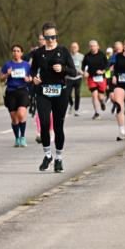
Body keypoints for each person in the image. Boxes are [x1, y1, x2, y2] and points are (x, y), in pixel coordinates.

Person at [29, 23, 76, 173]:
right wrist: (34, 78)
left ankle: (59, 158)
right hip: (43, 92)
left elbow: (73, 72)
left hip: (60, 92)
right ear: (43, 37)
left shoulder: (63, 51)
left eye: (53, 37)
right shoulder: (38, 53)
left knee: (58, 126)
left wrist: (63, 69)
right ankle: (48, 155)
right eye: (47, 37)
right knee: (43, 124)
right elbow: (32, 70)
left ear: (57, 36)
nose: (50, 40)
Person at [0, 44, 32, 147]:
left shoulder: (27, 65)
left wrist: (29, 79)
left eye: (18, 51)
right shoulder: (7, 64)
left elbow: (32, 77)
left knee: (21, 114)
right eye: (14, 51)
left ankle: (22, 137)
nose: (16, 52)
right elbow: (1, 78)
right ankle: (17, 138)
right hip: (11, 91)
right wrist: (7, 74)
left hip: (23, 90)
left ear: (22, 53)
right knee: (14, 119)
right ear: (12, 53)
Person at [81, 40, 108, 119]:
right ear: (89, 47)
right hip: (91, 78)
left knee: (100, 96)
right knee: (94, 95)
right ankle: (97, 113)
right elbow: (83, 66)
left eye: (94, 46)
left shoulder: (102, 55)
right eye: (91, 46)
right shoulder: (87, 56)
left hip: (101, 78)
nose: (92, 47)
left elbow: (107, 65)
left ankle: (102, 102)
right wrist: (85, 72)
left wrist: (102, 71)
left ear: (97, 46)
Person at [68, 41, 84, 115]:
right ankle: (71, 104)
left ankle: (76, 109)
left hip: (78, 77)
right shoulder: (68, 56)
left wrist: (83, 71)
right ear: (70, 48)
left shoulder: (81, 56)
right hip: (69, 77)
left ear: (78, 48)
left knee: (77, 93)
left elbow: (85, 66)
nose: (74, 48)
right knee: (67, 94)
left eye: (75, 47)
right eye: (72, 47)